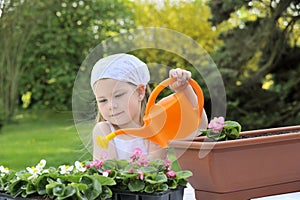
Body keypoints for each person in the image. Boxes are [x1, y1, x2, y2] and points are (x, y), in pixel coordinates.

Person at [90, 53, 208, 161]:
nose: (111, 106)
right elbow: (110, 174)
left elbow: (198, 127)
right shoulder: (104, 131)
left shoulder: (158, 123)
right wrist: (154, 158)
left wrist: (184, 89)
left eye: (118, 95)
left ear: (140, 92)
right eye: (103, 100)